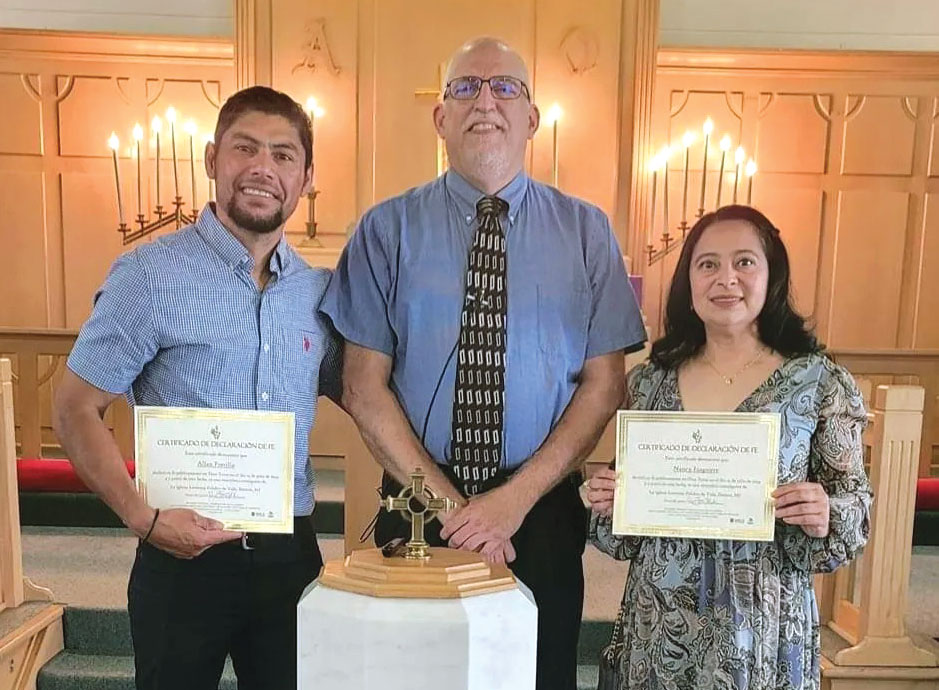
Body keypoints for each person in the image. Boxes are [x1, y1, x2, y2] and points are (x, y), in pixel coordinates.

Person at [319, 36, 646, 689]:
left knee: (536, 672)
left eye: (504, 87)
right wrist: (453, 510)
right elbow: (362, 386)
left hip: (540, 511)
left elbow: (605, 383)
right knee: (412, 676)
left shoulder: (586, 231)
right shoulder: (385, 230)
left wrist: (510, 502)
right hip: (415, 505)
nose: (485, 102)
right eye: (464, 87)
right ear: (440, 118)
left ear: (532, 117)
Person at [52, 86, 340, 690]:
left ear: (308, 178)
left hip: (291, 559)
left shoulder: (318, 294)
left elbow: (371, 393)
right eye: (246, 148)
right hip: (181, 557)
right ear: (212, 160)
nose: (264, 168)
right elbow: (76, 405)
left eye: (284, 155)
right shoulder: (149, 276)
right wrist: (142, 517)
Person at [585, 204, 873, 690]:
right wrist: (609, 500)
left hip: (760, 629)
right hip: (660, 623)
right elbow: (624, 526)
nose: (726, 279)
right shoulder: (652, 382)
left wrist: (826, 510)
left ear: (772, 274)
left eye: (744, 262)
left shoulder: (817, 382)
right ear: (689, 281)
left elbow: (855, 505)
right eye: (708, 264)